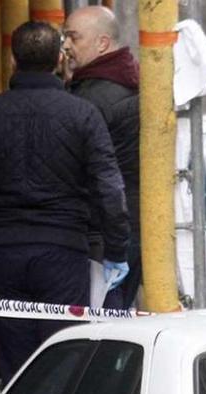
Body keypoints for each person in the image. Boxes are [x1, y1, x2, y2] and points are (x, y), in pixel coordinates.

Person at [0, 21, 130, 385]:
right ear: (58, 58)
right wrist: (117, 249)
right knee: (63, 357)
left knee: (16, 363)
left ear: (12, 58)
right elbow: (109, 188)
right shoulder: (82, 115)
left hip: (3, 253)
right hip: (64, 252)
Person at [64, 6, 142, 310]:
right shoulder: (121, 83)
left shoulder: (93, 100)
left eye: (73, 37)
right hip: (123, 230)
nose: (66, 46)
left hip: (105, 238)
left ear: (102, 44)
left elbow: (101, 179)